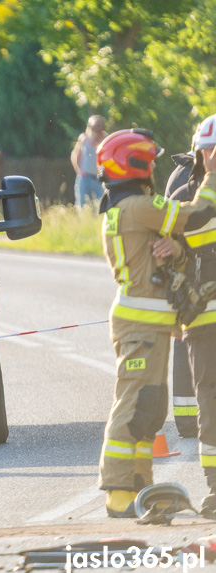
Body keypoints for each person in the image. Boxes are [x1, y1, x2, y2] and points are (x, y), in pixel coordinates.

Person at [96, 129, 216, 518]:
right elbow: (195, 215)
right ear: (137, 165)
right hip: (140, 327)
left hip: (152, 328)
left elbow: (165, 258)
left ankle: (140, 488)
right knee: (133, 407)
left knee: (150, 407)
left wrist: (176, 249)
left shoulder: (128, 207)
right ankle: (118, 494)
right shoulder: (136, 206)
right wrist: (212, 175)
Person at [167, 114, 216, 517]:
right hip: (204, 322)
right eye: (209, 152)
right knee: (212, 402)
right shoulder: (186, 196)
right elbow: (189, 229)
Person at [71, 115, 108, 206]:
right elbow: (75, 155)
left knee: (100, 203)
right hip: (85, 176)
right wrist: (79, 170)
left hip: (99, 178)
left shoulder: (105, 140)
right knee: (82, 204)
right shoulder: (83, 138)